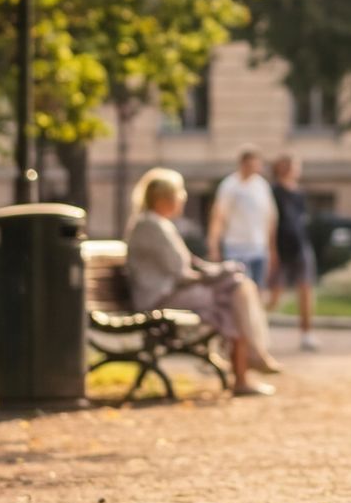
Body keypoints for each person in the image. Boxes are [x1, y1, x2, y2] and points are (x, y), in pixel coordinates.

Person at [124, 167, 275, 395]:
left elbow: (188, 265)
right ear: (164, 198)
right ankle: (249, 364)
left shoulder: (156, 224)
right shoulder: (151, 226)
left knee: (238, 288)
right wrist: (217, 275)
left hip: (169, 292)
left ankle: (251, 361)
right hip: (159, 298)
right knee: (234, 293)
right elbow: (181, 274)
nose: (181, 199)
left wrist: (218, 272)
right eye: (179, 194)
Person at [209, 149, 279, 313]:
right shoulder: (230, 185)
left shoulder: (261, 185)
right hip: (236, 247)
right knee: (239, 291)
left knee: (258, 290)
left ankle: (256, 327)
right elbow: (218, 216)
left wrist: (271, 247)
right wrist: (213, 244)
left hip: (258, 246)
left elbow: (270, 218)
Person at [264, 153, 318, 353]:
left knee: (305, 290)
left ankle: (307, 333)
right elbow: (271, 222)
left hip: (300, 245)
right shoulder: (273, 192)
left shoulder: (299, 193)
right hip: (280, 247)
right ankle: (258, 329)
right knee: (275, 293)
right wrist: (272, 250)